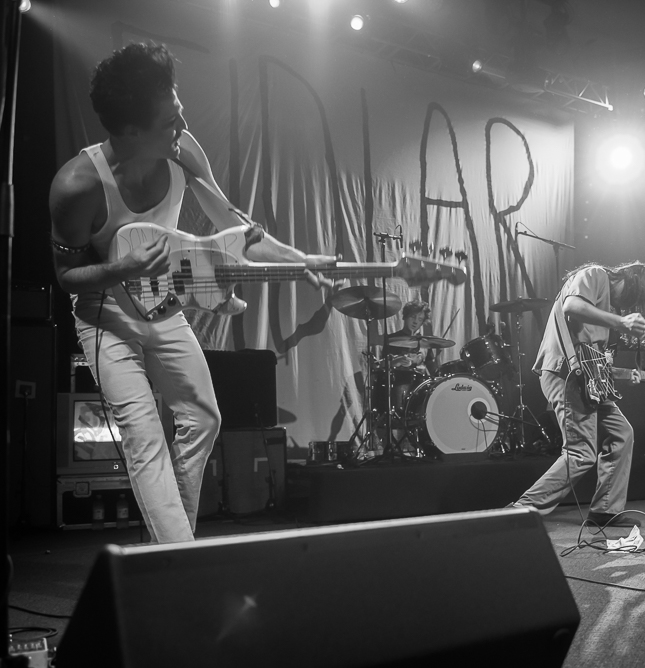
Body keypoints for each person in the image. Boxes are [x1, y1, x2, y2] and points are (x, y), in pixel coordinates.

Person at [49, 43, 341, 543]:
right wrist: (122, 266)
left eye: (179, 110)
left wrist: (300, 261)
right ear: (130, 131)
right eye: (169, 121)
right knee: (143, 436)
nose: (181, 125)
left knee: (204, 417)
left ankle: (173, 544)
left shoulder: (183, 151)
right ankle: (180, 557)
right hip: (105, 317)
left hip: (162, 304)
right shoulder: (78, 186)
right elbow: (66, 279)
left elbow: (237, 227)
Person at [511, 261, 645, 526]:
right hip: (565, 375)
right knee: (581, 452)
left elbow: (595, 364)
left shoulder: (604, 313)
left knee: (621, 434)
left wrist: (633, 375)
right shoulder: (595, 275)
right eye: (633, 299)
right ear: (630, 282)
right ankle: (519, 510)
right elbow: (572, 306)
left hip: (586, 382)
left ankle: (605, 509)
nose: (627, 307)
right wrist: (621, 322)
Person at [383, 300, 437, 375]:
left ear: (422, 323)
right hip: (398, 380)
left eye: (420, 319)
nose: (415, 322)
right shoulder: (392, 339)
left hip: (420, 382)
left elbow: (432, 367)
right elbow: (382, 365)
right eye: (413, 317)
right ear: (405, 316)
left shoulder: (425, 342)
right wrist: (396, 362)